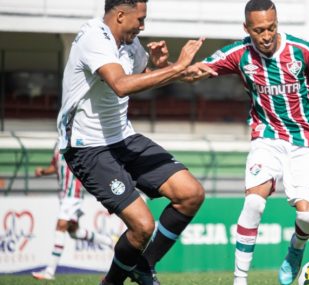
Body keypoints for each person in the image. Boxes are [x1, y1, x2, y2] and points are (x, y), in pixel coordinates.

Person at [184, 1, 309, 284]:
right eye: (259, 30)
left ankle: (296, 249)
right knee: (253, 204)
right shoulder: (238, 54)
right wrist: (172, 66)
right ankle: (239, 279)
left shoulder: (302, 50)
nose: (266, 35)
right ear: (246, 28)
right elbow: (195, 74)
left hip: (306, 141)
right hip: (267, 136)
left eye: (272, 27)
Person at [56, 1, 216, 284]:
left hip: (123, 137)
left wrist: (171, 68)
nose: (143, 26)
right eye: (140, 20)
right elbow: (121, 85)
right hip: (88, 146)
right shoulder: (94, 37)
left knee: (190, 194)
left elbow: (144, 78)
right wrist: (178, 67)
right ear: (120, 15)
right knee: (142, 226)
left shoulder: (129, 42)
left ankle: (144, 266)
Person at [31, 145, 114, 281]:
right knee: (75, 232)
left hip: (73, 195)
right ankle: (108, 241)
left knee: (61, 226)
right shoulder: (58, 144)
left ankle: (50, 271)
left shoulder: (75, 141)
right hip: (64, 196)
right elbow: (55, 165)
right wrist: (43, 171)